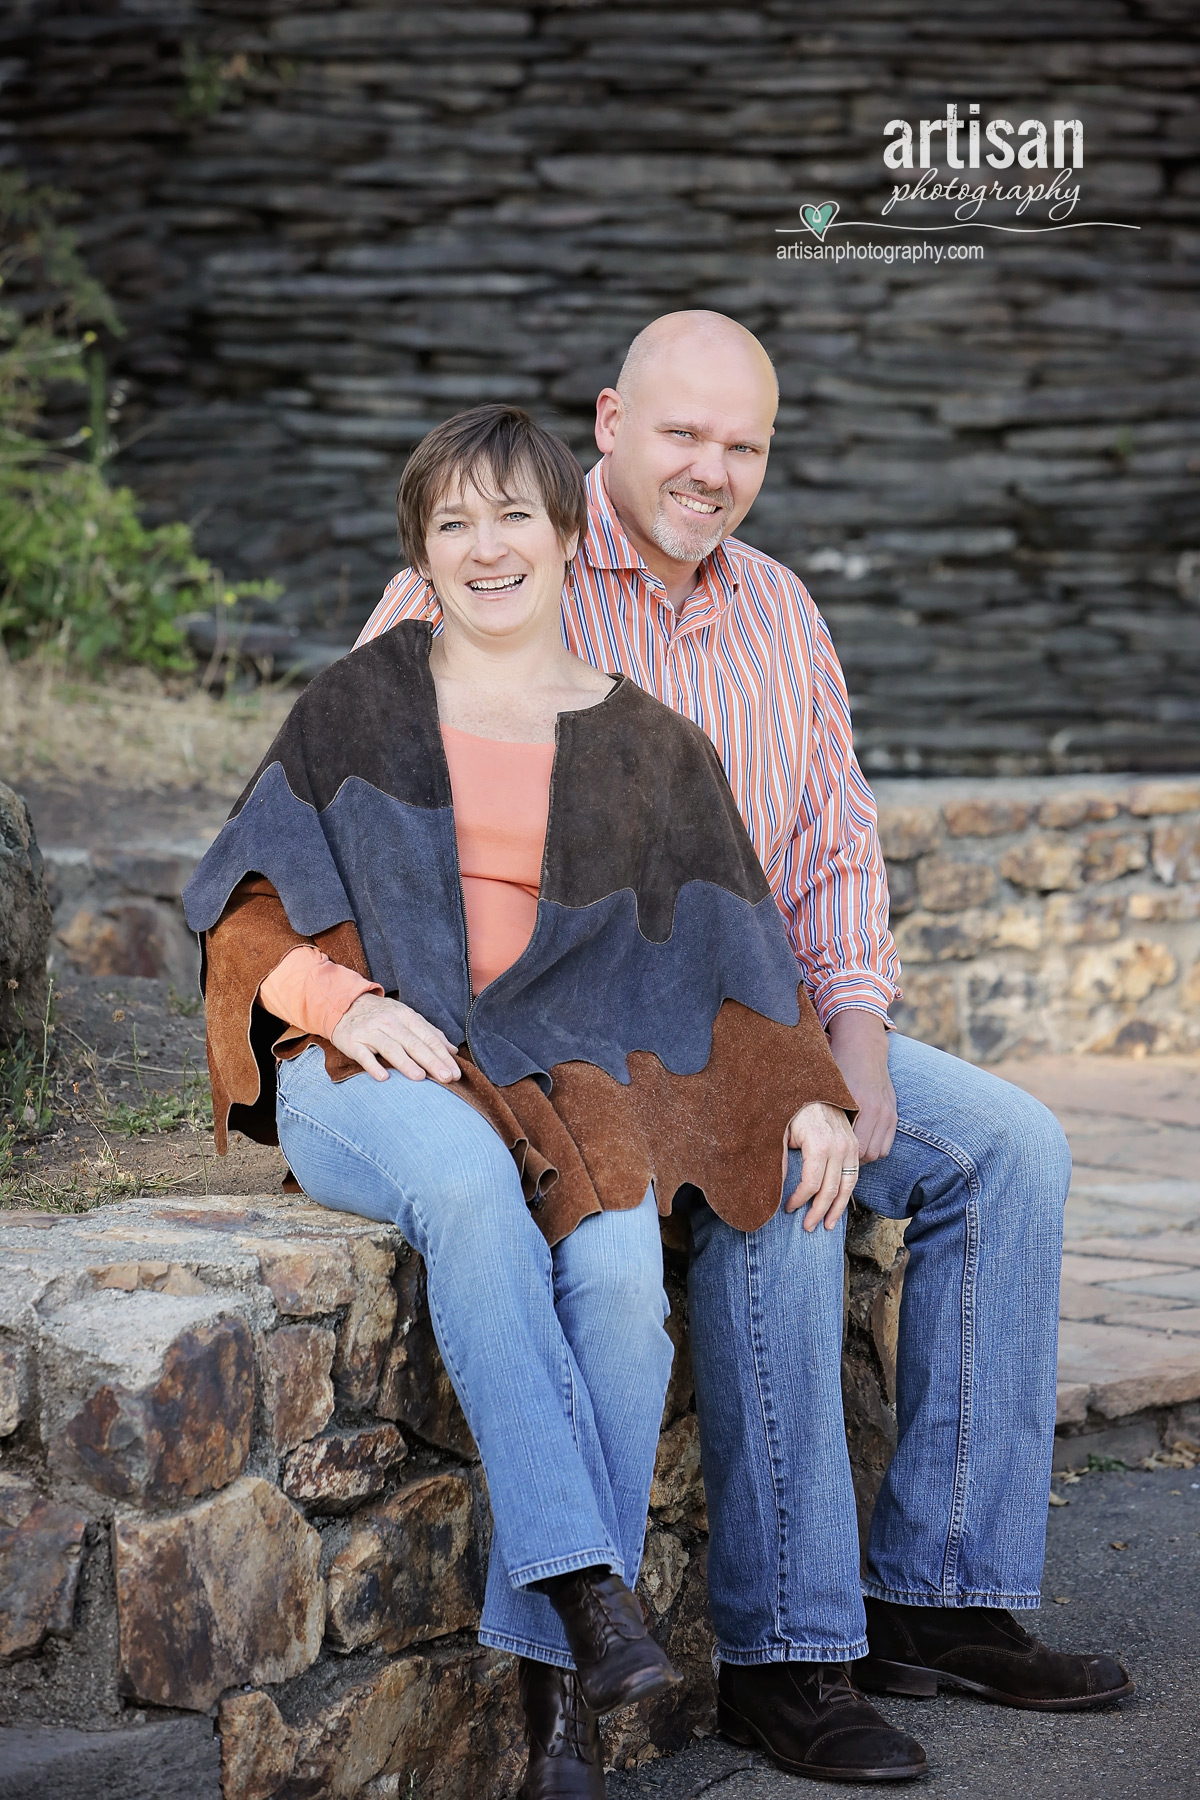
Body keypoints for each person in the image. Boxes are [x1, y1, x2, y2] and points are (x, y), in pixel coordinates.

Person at [357, 312, 1134, 1785]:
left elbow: (837, 852)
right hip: (584, 1042)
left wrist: (861, 1050)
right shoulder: (501, 568)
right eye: (682, 433)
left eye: (743, 445)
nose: (711, 468)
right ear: (608, 422)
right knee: (782, 1176)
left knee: (1010, 1149)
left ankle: (941, 1597)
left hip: (769, 1019)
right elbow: (360, 810)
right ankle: (785, 1657)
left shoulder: (778, 609)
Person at [184, 404, 925, 1799]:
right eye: (451, 521)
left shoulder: (652, 750)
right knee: (467, 1187)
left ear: (568, 535)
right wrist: (352, 1004)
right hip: (369, 1069)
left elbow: (741, 970)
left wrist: (814, 1097)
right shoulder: (362, 703)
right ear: (422, 548)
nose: (485, 545)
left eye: (512, 515)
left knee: (614, 1269)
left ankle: (559, 1735)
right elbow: (240, 907)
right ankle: (592, 1598)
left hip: (560, 1085)